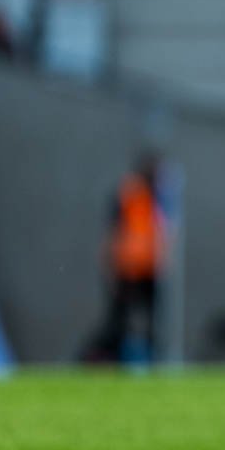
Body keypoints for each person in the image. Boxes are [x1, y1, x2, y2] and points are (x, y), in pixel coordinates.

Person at [86, 155, 167, 364]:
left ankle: (148, 362)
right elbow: (113, 231)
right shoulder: (129, 194)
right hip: (126, 269)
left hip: (149, 269)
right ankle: (105, 360)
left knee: (150, 322)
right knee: (117, 322)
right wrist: (109, 268)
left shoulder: (156, 196)